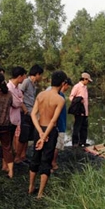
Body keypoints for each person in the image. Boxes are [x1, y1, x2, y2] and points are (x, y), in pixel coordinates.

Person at [29, 70, 67, 198]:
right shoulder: (60, 99)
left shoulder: (41, 95)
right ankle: (40, 193)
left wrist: (39, 131)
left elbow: (33, 114)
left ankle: (31, 186)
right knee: (46, 160)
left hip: (39, 128)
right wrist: (44, 136)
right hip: (50, 131)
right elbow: (53, 120)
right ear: (62, 83)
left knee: (36, 156)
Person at [15, 64, 44, 163]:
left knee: (27, 137)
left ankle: (23, 156)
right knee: (23, 136)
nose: (41, 77)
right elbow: (19, 94)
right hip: (25, 112)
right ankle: (17, 157)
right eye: (40, 75)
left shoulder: (33, 84)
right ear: (37, 74)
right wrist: (24, 108)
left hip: (31, 113)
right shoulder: (26, 82)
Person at [49, 77, 73, 171]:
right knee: (57, 145)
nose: (67, 88)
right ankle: (53, 163)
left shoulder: (54, 94)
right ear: (64, 84)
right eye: (68, 86)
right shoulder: (60, 96)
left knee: (53, 144)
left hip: (57, 123)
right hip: (59, 124)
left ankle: (51, 162)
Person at [6, 66, 27, 167]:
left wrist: (20, 101)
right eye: (23, 77)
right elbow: (16, 103)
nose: (24, 79)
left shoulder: (17, 88)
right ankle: (5, 164)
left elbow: (20, 100)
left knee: (12, 141)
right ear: (19, 77)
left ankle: (10, 162)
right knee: (7, 143)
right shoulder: (9, 88)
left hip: (15, 119)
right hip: (9, 119)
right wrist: (21, 102)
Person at [69, 72, 92, 147]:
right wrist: (78, 100)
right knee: (77, 126)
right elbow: (71, 97)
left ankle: (83, 141)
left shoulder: (85, 87)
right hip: (79, 110)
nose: (88, 82)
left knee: (84, 126)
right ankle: (75, 142)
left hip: (85, 110)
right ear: (84, 79)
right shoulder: (77, 86)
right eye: (88, 80)